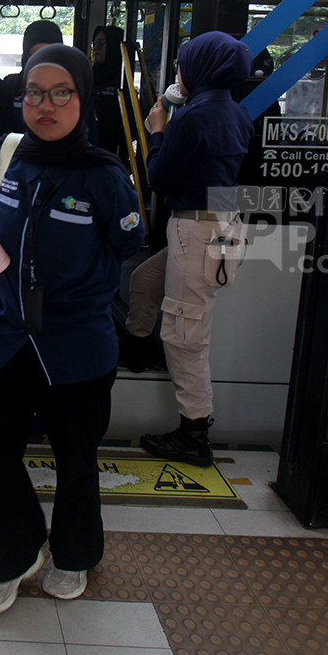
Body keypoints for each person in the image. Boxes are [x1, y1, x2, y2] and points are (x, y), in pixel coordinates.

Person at [0, 44, 144, 616]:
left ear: (82, 98)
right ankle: (17, 551)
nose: (45, 105)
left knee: (76, 458)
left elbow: (130, 241)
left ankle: (73, 553)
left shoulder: (105, 176)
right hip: (4, 333)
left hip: (76, 345)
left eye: (60, 92)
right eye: (33, 93)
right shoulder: (9, 152)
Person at [122, 31, 254, 467]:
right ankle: (138, 348)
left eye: (181, 64)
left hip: (194, 232)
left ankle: (194, 433)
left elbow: (158, 178)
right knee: (144, 280)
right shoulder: (235, 113)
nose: (177, 73)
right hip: (217, 226)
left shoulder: (194, 117)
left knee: (186, 337)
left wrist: (158, 132)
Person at [1, 19, 65, 134]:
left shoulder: (71, 87)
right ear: (26, 56)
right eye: (35, 55)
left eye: (48, 54)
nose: (41, 60)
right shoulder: (12, 85)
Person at [90, 25, 128, 160]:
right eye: (94, 44)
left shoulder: (124, 82)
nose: (95, 48)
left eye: (101, 44)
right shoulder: (90, 76)